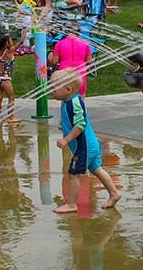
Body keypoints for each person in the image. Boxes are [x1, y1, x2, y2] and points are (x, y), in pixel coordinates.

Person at [51, 68, 122, 214]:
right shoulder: (68, 100)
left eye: (54, 88)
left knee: (73, 173)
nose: (51, 91)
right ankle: (114, 193)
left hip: (84, 147)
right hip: (89, 145)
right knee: (96, 169)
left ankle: (72, 204)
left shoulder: (74, 103)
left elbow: (80, 125)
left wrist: (66, 139)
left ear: (68, 89)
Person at [50, 19, 93, 96]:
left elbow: (54, 62)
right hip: (80, 75)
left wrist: (50, 57)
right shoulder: (85, 44)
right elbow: (89, 62)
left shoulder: (60, 44)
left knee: (65, 100)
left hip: (64, 74)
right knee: (80, 101)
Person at [0, 30, 22, 123]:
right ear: (6, 43)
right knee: (11, 98)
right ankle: (11, 118)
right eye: (10, 40)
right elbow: (20, 42)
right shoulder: (9, 51)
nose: (12, 41)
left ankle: (0, 118)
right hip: (5, 78)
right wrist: (24, 32)